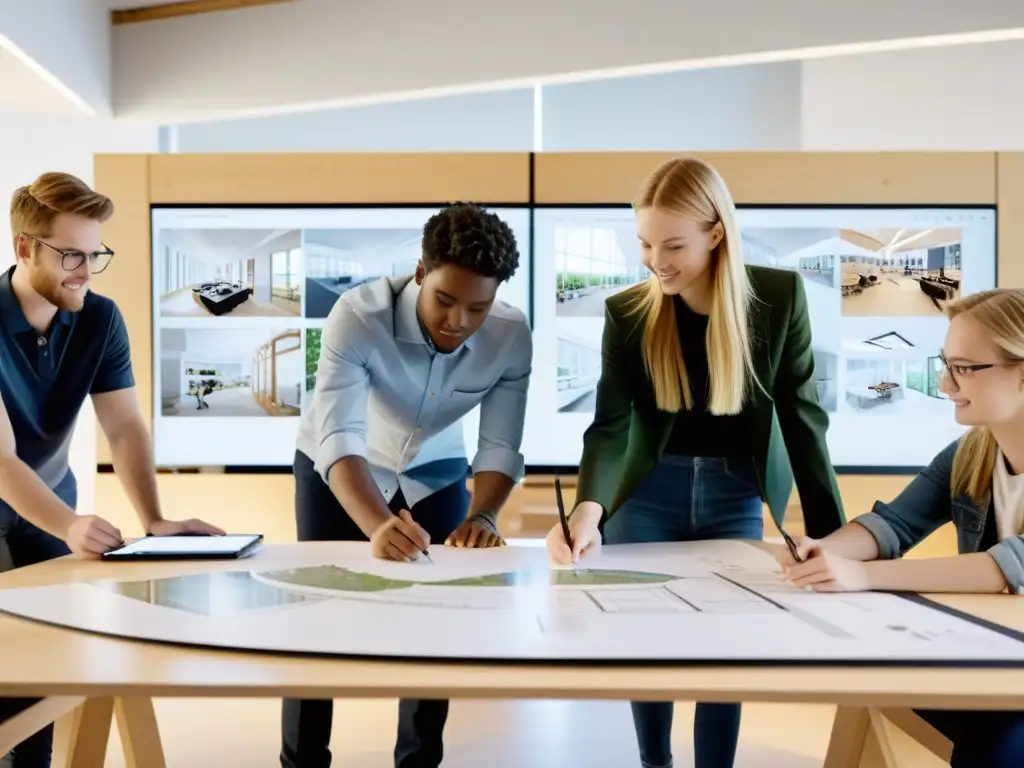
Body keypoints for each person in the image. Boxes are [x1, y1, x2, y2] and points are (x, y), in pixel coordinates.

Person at [545, 156, 845, 768]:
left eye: (673, 244)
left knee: (726, 646)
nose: (657, 261)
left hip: (736, 491)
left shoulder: (778, 298)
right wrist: (588, 510)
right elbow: (611, 424)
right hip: (647, 491)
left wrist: (836, 536)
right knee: (645, 642)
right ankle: (654, 762)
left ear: (716, 233)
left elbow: (802, 416)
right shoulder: (629, 312)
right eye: (645, 243)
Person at [284, 203, 532, 768]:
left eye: (478, 307)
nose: (458, 322)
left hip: (434, 465)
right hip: (343, 464)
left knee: (434, 616)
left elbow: (498, 446)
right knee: (318, 614)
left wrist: (485, 515)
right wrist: (376, 525)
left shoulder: (512, 335)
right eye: (445, 300)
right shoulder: (358, 315)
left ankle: (419, 762)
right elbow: (340, 435)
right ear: (421, 272)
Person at [0, 172, 224, 767]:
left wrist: (155, 519)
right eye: (71, 254)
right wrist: (71, 523)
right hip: (21, 503)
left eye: (94, 254)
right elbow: (0, 459)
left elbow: (123, 426)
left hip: (47, 510)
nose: (85, 269)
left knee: (44, 685)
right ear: (24, 246)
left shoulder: (99, 319)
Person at [777, 287, 1024, 767]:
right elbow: (892, 524)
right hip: (1003, 663)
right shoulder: (970, 454)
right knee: (873, 675)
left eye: (964, 368)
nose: (944, 383)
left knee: (998, 748)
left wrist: (864, 576)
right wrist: (825, 552)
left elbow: (1009, 565)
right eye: (945, 363)